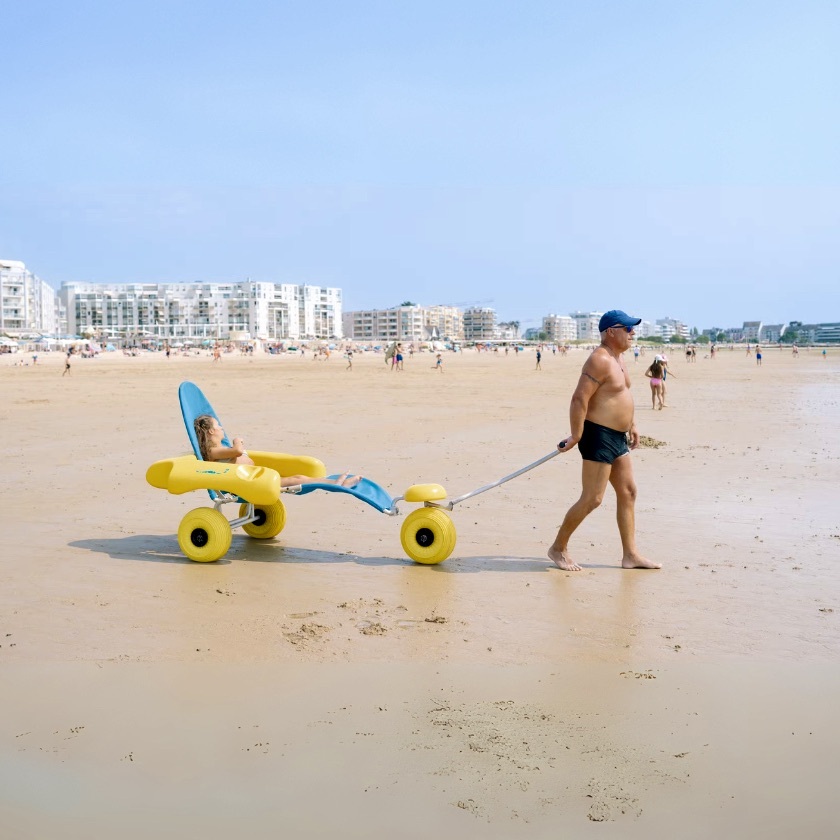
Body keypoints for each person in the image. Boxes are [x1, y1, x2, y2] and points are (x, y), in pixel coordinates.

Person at [548, 309, 660, 571]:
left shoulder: (618, 358)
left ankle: (630, 555)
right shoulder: (599, 359)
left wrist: (632, 424)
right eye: (628, 328)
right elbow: (580, 398)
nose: (632, 333)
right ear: (611, 331)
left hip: (618, 437)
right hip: (598, 435)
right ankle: (558, 548)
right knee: (593, 498)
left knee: (628, 492)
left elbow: (619, 395)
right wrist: (576, 435)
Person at [193, 415, 361, 488]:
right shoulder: (213, 451)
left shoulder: (221, 449)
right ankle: (335, 483)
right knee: (297, 480)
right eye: (218, 425)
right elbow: (237, 451)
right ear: (211, 431)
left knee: (297, 477)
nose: (221, 427)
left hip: (256, 479)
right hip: (251, 485)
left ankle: (333, 482)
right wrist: (237, 440)